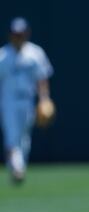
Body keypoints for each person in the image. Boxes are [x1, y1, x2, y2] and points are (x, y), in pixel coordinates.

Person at [0, 17, 54, 184]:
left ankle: (17, 166)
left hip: (28, 101)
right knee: (12, 137)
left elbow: (42, 78)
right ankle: (17, 169)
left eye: (21, 34)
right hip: (9, 101)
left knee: (24, 139)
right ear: (10, 35)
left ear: (26, 34)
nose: (18, 37)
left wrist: (44, 99)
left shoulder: (35, 53)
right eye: (16, 34)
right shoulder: (2, 55)